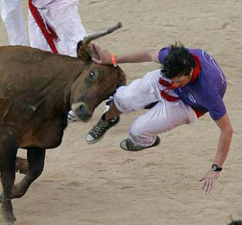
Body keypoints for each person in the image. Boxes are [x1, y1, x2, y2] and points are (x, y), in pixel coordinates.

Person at [85, 42, 233, 194]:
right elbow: (149, 53)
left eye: (179, 81)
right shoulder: (174, 61)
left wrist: (216, 168)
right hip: (180, 85)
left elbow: (227, 130)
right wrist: (113, 59)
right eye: (173, 80)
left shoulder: (209, 91)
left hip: (190, 105)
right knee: (125, 97)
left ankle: (146, 141)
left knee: (138, 130)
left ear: (189, 72)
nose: (174, 85)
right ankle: (109, 118)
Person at [0, 0, 86, 121]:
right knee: (41, 55)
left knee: (77, 47)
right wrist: (20, 56)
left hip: (58, 3)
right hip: (37, 8)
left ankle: (110, 94)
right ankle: (55, 99)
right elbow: (10, 12)